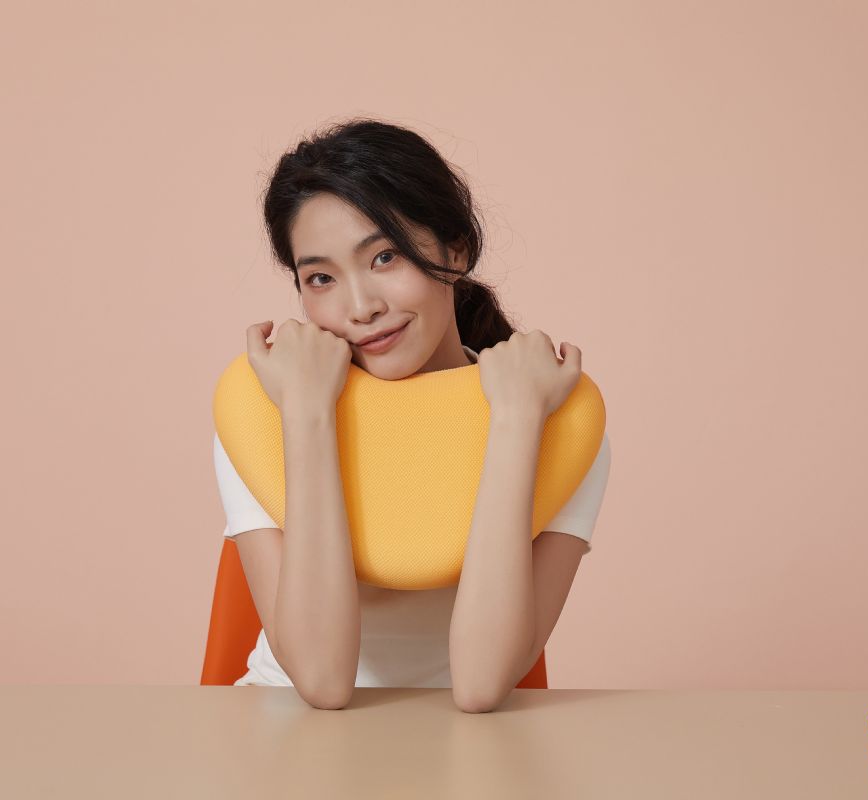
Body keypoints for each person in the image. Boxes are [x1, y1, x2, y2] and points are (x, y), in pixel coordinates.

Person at [212, 118, 611, 711]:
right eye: (320, 277)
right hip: (284, 726)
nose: (360, 307)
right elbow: (320, 681)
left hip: (470, 738)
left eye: (385, 257)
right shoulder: (263, 407)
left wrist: (514, 421)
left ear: (457, 249)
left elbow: (480, 685)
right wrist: (308, 414)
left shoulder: (557, 413)